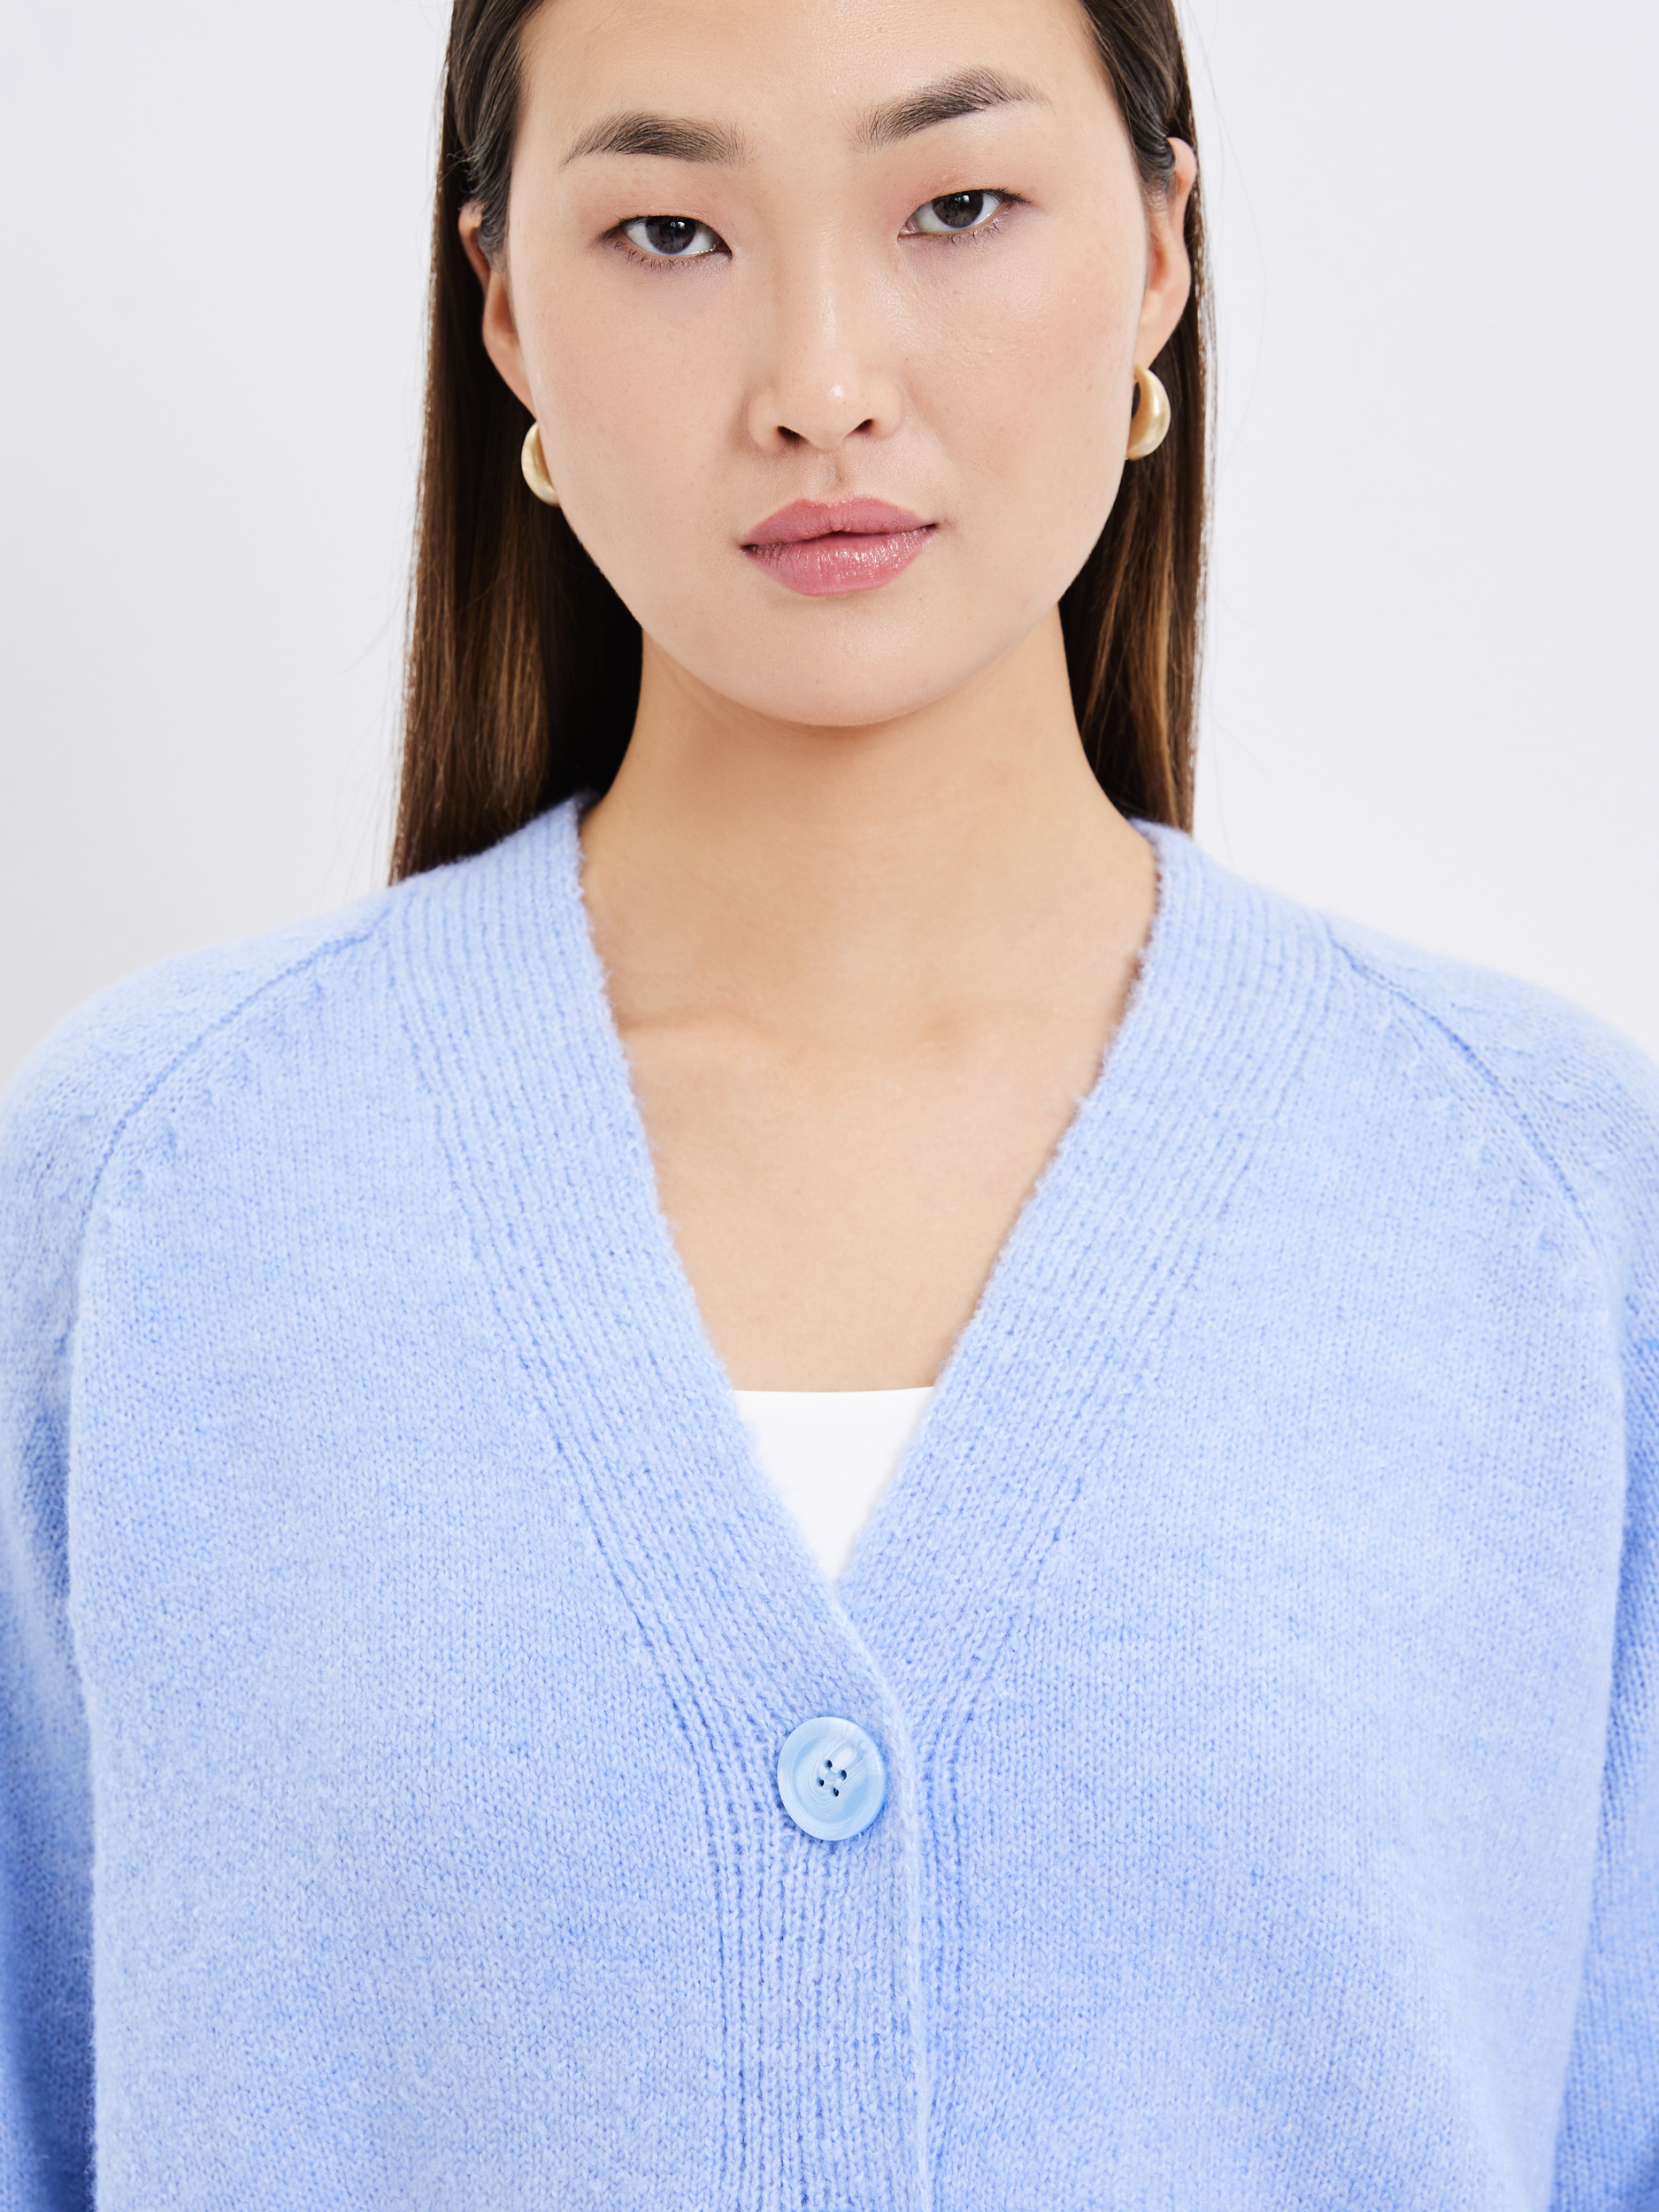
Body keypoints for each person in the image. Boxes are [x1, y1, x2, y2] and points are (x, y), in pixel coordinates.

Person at [2, 0, 1655, 2201]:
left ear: (1160, 247)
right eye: (670, 232)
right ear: (502, 306)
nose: (819, 379)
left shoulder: (1543, 1209)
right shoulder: (151, 1199)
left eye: (954, 205)